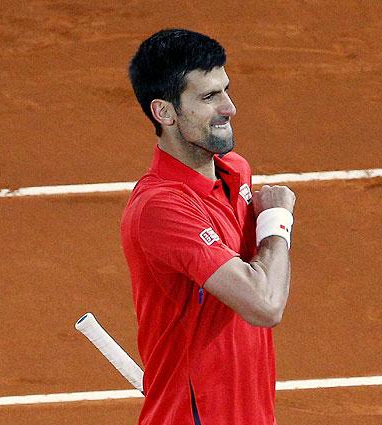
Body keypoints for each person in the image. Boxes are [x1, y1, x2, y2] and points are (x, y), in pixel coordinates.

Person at [121, 28, 295, 425]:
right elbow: (264, 305)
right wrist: (276, 222)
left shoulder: (236, 171)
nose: (229, 107)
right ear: (164, 112)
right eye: (208, 97)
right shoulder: (161, 208)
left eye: (226, 90)